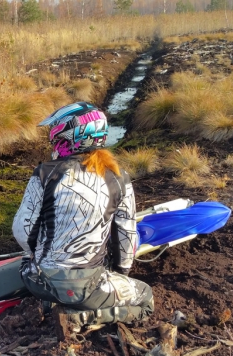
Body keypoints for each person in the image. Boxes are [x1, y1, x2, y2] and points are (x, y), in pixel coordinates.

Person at [11, 102, 154, 338]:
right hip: (89, 287)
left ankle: (51, 303)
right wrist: (119, 274)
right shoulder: (119, 179)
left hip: (38, 282)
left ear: (70, 136)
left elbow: (22, 231)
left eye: (56, 135)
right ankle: (81, 317)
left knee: (33, 264)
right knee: (146, 298)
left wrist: (36, 257)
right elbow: (126, 240)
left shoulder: (44, 173)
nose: (53, 141)